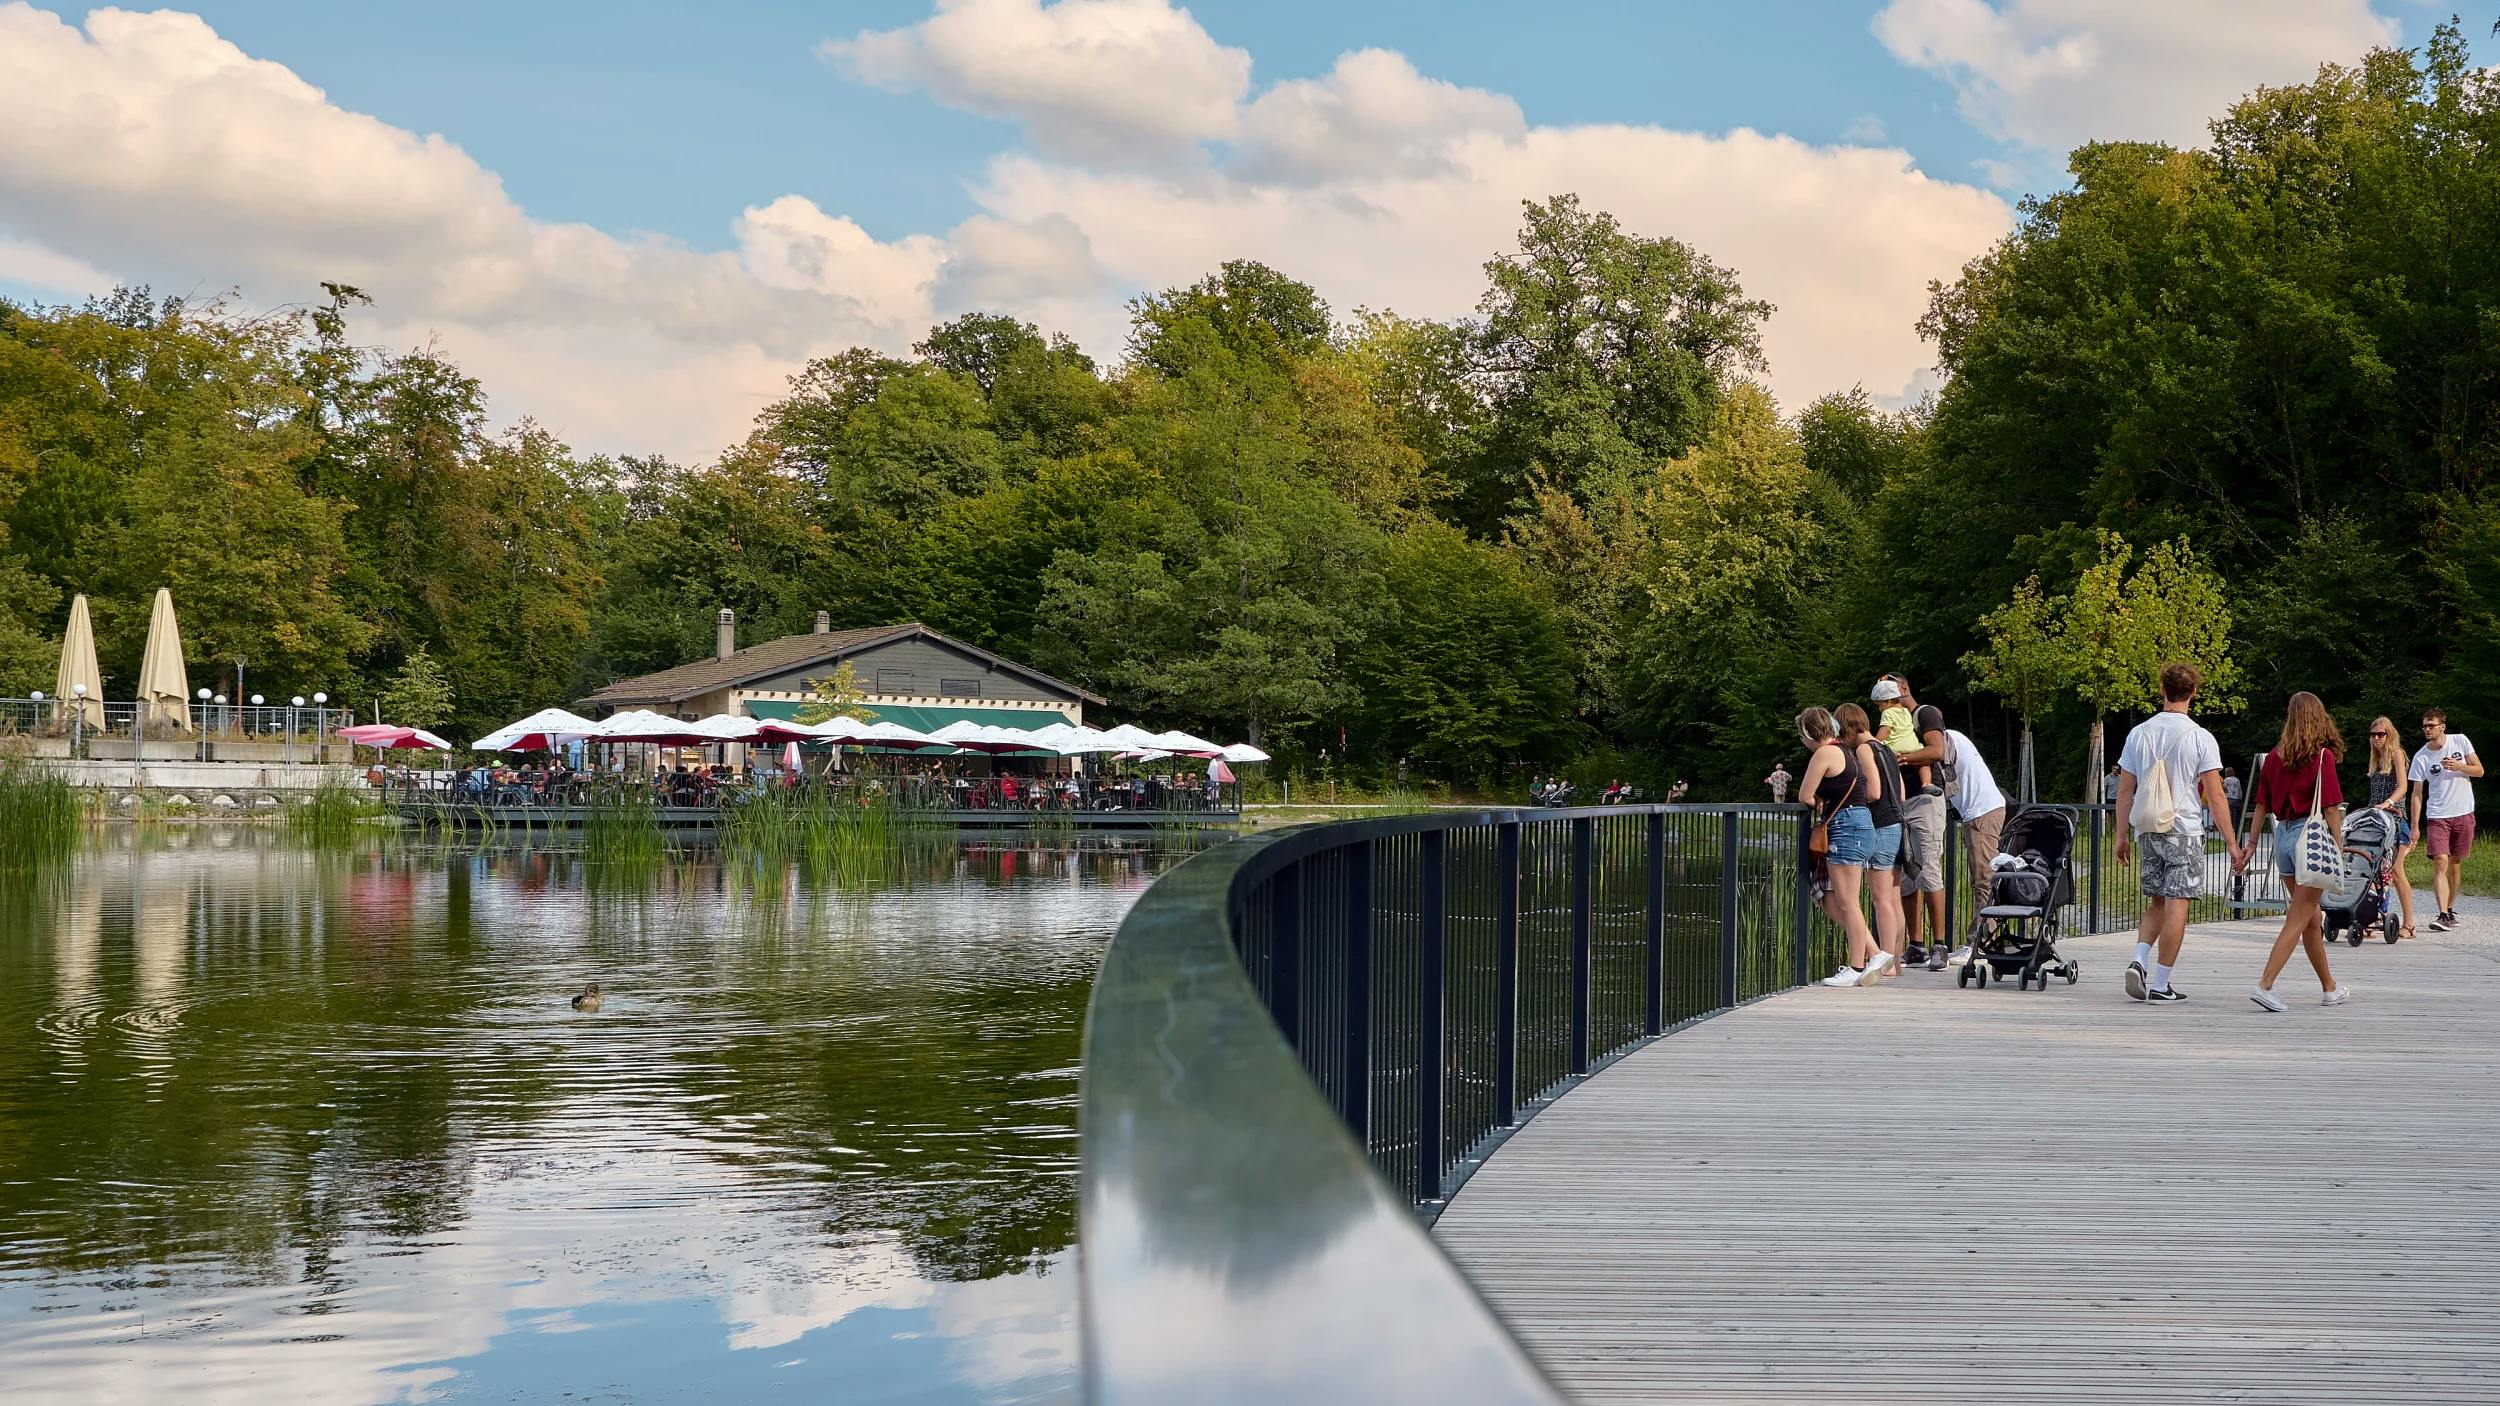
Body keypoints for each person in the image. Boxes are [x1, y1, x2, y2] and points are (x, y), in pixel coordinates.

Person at [2111, 663, 2237, 1003]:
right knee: (2177, 904)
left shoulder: (2139, 734)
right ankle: (2161, 982)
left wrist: (2121, 835)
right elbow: (2215, 793)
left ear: (2162, 690)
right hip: (2183, 829)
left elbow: (2125, 791)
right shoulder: (2199, 737)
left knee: (2156, 900)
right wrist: (2231, 842)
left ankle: (2139, 958)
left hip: (2148, 829)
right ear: (2193, 692)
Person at [2238, 692, 2351, 1010]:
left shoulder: (2275, 756)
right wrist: (2339, 846)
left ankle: (2330, 987)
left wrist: (2252, 843)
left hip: (2284, 838)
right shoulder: (2321, 757)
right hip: (2310, 837)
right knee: (2298, 916)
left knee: (2311, 918)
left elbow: (2261, 804)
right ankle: (2265, 984)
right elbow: (2330, 808)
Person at [1896, 701, 2005, 967]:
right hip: (1978, 813)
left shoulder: (1947, 741)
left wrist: (1904, 756)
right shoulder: (1956, 740)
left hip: (1982, 813)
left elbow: (1934, 751)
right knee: (1980, 880)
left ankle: (1978, 944)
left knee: (1984, 880)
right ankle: (1974, 941)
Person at [1798, 708, 1894, 987]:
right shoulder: (1846, 751)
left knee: (1848, 901)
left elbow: (1805, 795)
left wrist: (1816, 801)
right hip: (1860, 824)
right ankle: (1875, 954)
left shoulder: (1824, 753)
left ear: (1808, 733)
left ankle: (1855, 966)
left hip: (1845, 827)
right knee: (1843, 900)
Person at [1875, 675, 1944, 964]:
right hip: (1899, 802)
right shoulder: (1894, 715)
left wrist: (1904, 758)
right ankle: (1916, 944)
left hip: (1923, 801)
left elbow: (1936, 751)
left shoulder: (1924, 713)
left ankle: (1939, 943)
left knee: (1928, 867)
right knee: (1906, 875)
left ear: (1903, 688)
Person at [1836, 704, 1909, 973]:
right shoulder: (1885, 747)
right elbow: (1900, 792)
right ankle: (1895, 960)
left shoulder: (1864, 749)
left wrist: (1854, 800)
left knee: (1880, 899)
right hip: (1896, 824)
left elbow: (1875, 791)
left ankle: (1886, 962)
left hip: (1879, 825)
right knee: (1892, 898)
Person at [2409, 707, 2480, 932]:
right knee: (2440, 861)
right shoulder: (2421, 756)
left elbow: (2479, 771)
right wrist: (2415, 826)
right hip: (2438, 814)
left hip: (2463, 811)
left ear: (2442, 727)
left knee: (2455, 863)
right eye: (2425, 726)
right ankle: (2441, 914)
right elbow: (2417, 793)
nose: (2427, 729)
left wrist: (2460, 766)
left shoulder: (2460, 741)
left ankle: (2449, 909)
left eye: (2431, 725)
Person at [2365, 717, 2417, 940]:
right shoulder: (2375, 760)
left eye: (2381, 734)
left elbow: (2404, 786)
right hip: (2377, 820)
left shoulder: (2397, 754)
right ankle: (2373, 917)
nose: (2377, 738)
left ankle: (2410, 924)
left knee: (2396, 871)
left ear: (2389, 735)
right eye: (2373, 734)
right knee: (2372, 870)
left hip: (2395, 819)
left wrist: (2388, 803)